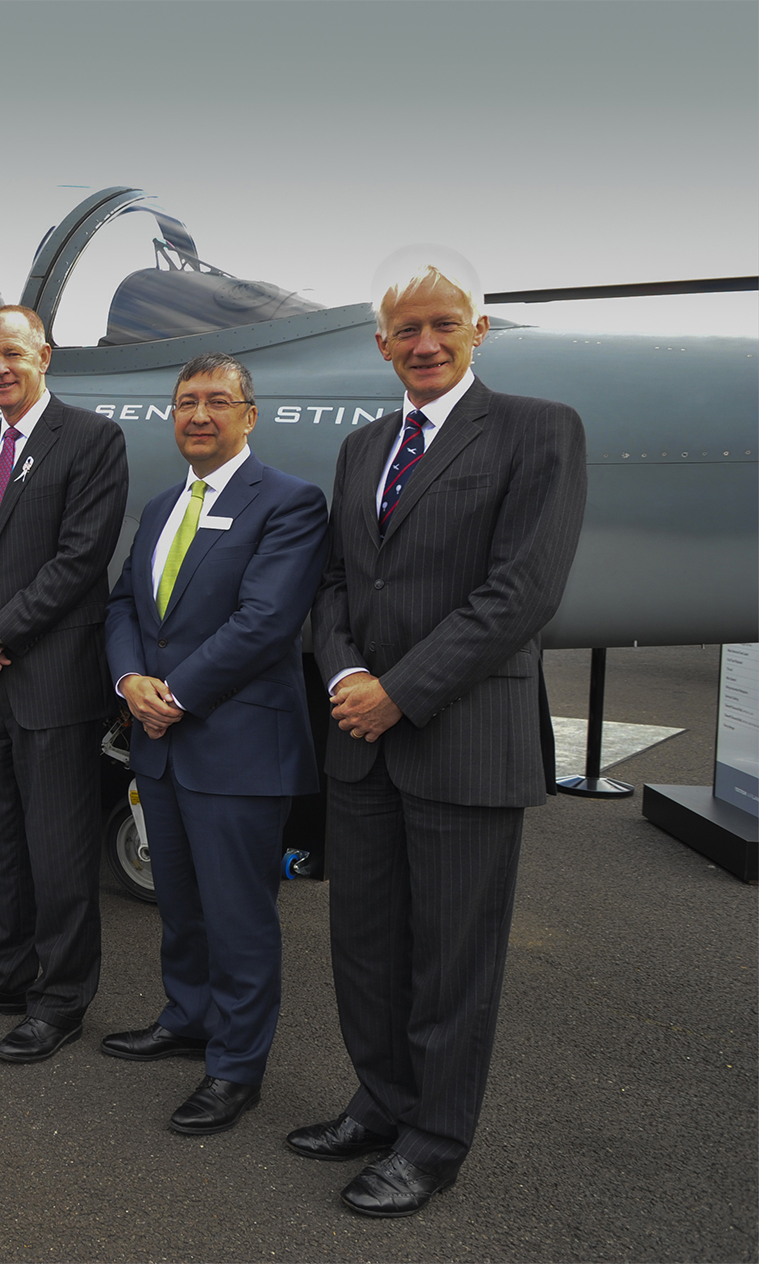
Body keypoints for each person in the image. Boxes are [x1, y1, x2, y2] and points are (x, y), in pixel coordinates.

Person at [294, 251, 587, 1217]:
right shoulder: (364, 445)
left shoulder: (538, 433)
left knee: (454, 959)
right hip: (361, 737)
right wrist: (344, 675)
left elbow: (521, 593)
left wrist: (398, 693)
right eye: (406, 332)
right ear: (382, 346)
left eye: (443, 327)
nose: (424, 344)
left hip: (460, 737)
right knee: (367, 944)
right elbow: (340, 582)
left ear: (477, 334)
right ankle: (380, 1102)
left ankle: (432, 1141)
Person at [99, 352, 328, 1134]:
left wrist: (177, 696)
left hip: (234, 748)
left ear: (249, 415)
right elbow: (126, 605)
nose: (200, 414)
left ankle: (235, 1067)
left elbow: (265, 622)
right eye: (186, 401)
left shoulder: (291, 504)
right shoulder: (162, 506)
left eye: (218, 402)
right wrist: (131, 682)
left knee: (240, 917)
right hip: (160, 742)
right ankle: (187, 1017)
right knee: (184, 905)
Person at [0, 305, 129, 1062]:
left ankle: (61, 999)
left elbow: (80, 561)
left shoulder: (91, 440)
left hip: (50, 682)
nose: (0, 369)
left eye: (13, 354)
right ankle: (3, 972)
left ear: (45, 356)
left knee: (60, 848)